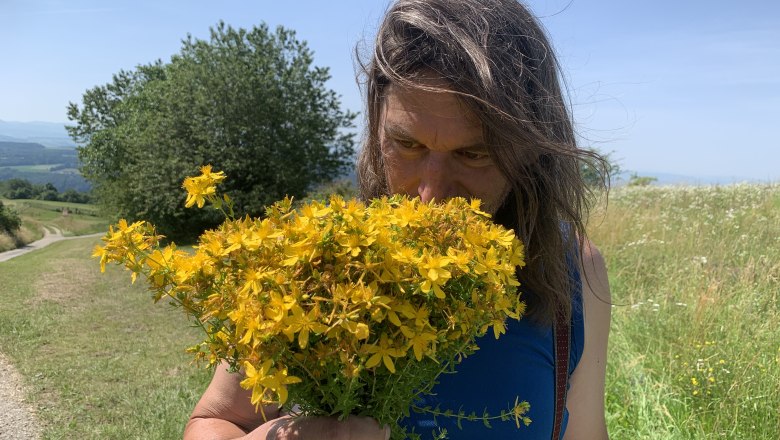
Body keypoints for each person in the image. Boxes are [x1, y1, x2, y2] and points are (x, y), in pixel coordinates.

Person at [184, 0, 611, 439]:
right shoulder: (305, 266)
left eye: (474, 154)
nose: (431, 195)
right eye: (407, 145)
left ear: (531, 148)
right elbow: (216, 422)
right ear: (377, 127)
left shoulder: (575, 271)